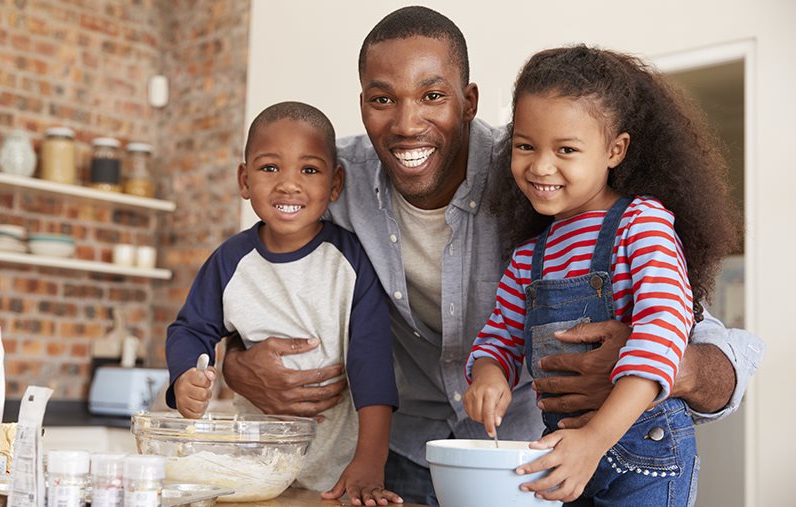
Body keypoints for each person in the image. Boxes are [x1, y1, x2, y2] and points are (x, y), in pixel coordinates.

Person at [221, 7, 766, 505]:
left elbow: (696, 333)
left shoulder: (543, 185)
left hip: (539, 453)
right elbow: (252, 274)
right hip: (410, 449)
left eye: (433, 95)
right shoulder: (330, 178)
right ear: (362, 101)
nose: (407, 123)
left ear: (470, 100)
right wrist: (232, 363)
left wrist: (664, 370)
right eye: (383, 98)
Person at [464, 45, 741, 505]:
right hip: (565, 453)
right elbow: (500, 337)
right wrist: (490, 374)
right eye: (525, 146)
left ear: (615, 150)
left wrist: (595, 439)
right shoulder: (528, 257)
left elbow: (662, 333)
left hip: (644, 456)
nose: (540, 166)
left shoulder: (642, 223)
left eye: (566, 149)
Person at [165, 101, 403, 506]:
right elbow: (191, 329)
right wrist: (184, 375)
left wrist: (369, 460)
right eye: (269, 167)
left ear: (334, 184)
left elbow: (373, 362)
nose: (288, 184)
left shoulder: (350, 262)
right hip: (256, 470)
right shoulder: (230, 261)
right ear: (244, 180)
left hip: (339, 473)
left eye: (308, 170)